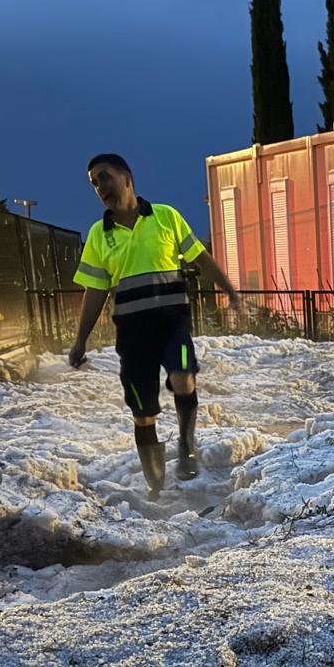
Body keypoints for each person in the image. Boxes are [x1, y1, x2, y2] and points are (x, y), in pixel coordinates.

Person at [68, 153, 240, 496]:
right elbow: (94, 292)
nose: (100, 186)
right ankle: (155, 482)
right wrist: (79, 340)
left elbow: (201, 258)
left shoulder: (166, 217)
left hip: (172, 324)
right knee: (142, 412)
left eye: (104, 177)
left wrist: (230, 292)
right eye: (94, 183)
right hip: (132, 336)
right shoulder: (99, 235)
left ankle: (187, 447)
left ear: (127, 178)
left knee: (184, 378)